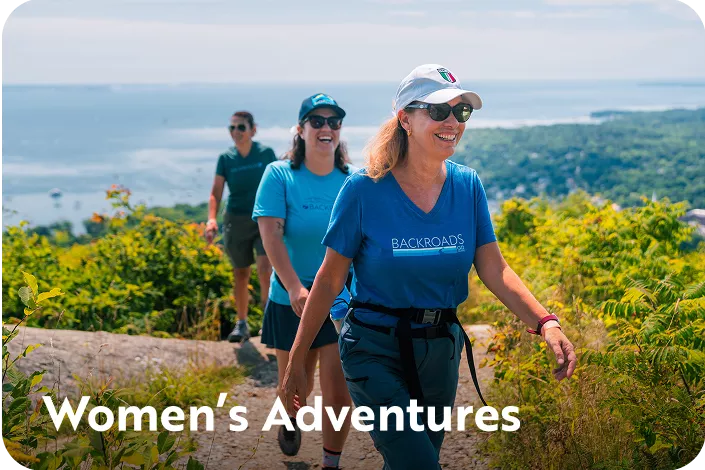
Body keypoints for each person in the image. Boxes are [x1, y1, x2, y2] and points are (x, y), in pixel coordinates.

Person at [279, 64, 578, 469]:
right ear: (405, 118)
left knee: (410, 461)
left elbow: (494, 268)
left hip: (440, 349)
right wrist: (297, 359)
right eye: (438, 111)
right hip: (373, 347)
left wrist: (546, 322)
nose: (452, 121)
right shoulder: (364, 189)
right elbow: (330, 278)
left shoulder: (467, 185)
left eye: (462, 112)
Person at [253, 94, 355, 469]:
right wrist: (295, 287)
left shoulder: (351, 180)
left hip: (339, 299)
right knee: (297, 385)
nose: (326, 128)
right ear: (301, 129)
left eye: (334, 121)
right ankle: (291, 418)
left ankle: (331, 461)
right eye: (317, 121)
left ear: (340, 129)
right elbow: (271, 235)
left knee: (339, 391)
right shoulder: (279, 175)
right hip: (290, 297)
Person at [206, 111, 275, 343]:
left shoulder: (265, 154)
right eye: (232, 128)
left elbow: (279, 183)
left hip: (264, 217)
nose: (236, 132)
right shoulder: (226, 158)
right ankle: (242, 323)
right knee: (241, 273)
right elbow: (216, 192)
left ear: (253, 130)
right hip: (235, 220)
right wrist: (211, 219)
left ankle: (269, 321)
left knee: (266, 269)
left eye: (241, 127)